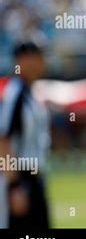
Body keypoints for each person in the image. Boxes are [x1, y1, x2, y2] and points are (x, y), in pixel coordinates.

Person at [0, 42, 51, 228]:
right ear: (22, 60)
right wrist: (14, 186)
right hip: (20, 176)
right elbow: (3, 140)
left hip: (34, 176)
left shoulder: (31, 93)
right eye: (35, 57)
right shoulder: (15, 93)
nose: (40, 62)